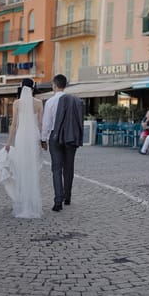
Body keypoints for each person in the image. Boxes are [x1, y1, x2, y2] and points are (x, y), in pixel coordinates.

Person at [0, 78, 43, 219]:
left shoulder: (17, 103)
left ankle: (22, 200)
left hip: (21, 136)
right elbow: (40, 124)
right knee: (32, 168)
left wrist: (8, 142)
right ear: (33, 88)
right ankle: (32, 201)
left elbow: (14, 124)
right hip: (34, 136)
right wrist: (43, 141)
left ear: (21, 87)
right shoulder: (39, 103)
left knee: (22, 168)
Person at [41, 74, 83, 212]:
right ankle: (67, 196)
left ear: (54, 84)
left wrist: (43, 139)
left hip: (55, 136)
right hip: (71, 136)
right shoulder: (75, 100)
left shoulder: (50, 102)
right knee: (69, 167)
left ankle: (58, 201)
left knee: (56, 169)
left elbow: (46, 123)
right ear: (65, 85)